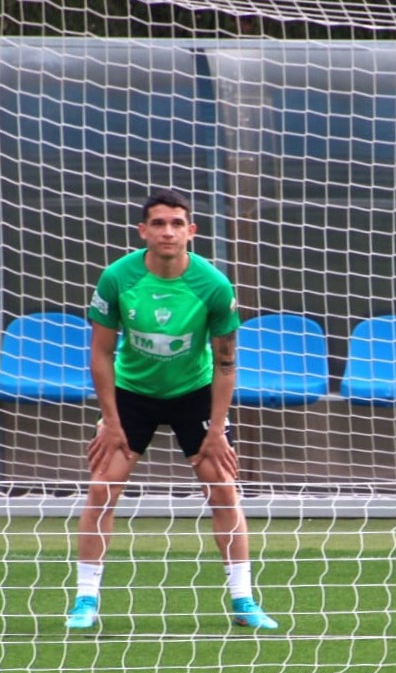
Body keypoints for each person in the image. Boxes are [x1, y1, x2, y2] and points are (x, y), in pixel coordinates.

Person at [68, 189, 277, 631]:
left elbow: (225, 363)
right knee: (102, 486)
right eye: (158, 224)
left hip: (194, 392)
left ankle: (243, 599)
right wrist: (109, 420)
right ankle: (85, 599)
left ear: (191, 232)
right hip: (133, 391)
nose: (168, 231)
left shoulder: (213, 286)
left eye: (177, 224)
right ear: (143, 231)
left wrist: (217, 429)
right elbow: (101, 353)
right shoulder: (116, 279)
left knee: (223, 487)